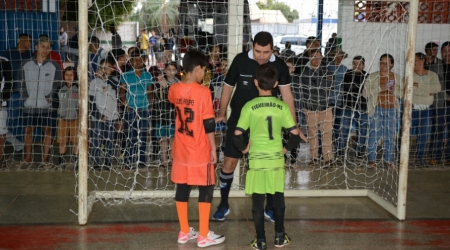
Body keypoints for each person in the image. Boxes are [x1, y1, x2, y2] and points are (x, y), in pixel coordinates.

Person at [213, 31, 307, 221]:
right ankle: (223, 204)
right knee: (229, 163)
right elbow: (228, 87)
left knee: (269, 166)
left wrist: (294, 125)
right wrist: (222, 113)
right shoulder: (240, 60)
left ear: (272, 49)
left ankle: (270, 208)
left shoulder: (279, 66)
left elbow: (287, 96)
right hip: (240, 120)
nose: (261, 56)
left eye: (266, 52)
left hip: (267, 124)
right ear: (252, 46)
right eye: (258, 51)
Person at [234, 64, 300, 249]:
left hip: (256, 161)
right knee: (278, 198)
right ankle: (280, 237)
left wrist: (244, 149)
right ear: (276, 83)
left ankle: (260, 240)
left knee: (257, 201)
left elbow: (236, 135)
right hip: (275, 160)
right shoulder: (281, 106)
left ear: (255, 83)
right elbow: (295, 135)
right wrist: (285, 150)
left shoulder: (250, 106)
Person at [168, 49, 225, 248]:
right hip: (199, 149)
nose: (205, 74)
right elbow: (208, 124)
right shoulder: (203, 91)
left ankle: (184, 231)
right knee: (206, 187)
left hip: (181, 148)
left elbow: (183, 108)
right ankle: (203, 234)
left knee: (182, 186)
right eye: (204, 70)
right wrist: (213, 148)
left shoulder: (174, 89)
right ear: (198, 69)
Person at [18, 35, 62, 168]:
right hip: (29, 106)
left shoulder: (54, 66)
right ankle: (28, 157)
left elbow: (58, 84)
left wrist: (50, 96)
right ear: (36, 47)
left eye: (48, 47)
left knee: (48, 131)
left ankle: (45, 160)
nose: (46, 49)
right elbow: (20, 82)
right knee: (28, 130)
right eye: (43, 46)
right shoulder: (25, 64)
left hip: (46, 107)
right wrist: (26, 97)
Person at [363, 54, 403, 169]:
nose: (383, 65)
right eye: (381, 62)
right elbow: (364, 93)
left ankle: (388, 161)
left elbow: (403, 94)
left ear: (391, 64)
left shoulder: (397, 77)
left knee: (390, 136)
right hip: (376, 109)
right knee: (374, 135)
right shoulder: (372, 76)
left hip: (392, 110)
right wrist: (381, 88)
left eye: (386, 63)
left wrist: (393, 91)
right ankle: (371, 161)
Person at [300, 49, 335, 166]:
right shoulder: (304, 71)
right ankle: (314, 157)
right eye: (314, 57)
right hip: (310, 108)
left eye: (319, 57)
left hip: (326, 107)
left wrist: (317, 83)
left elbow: (330, 85)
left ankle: (328, 159)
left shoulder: (328, 70)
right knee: (312, 134)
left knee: (327, 134)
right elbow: (309, 87)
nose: (317, 60)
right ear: (309, 58)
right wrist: (321, 82)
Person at [119, 50, 153, 168]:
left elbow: (150, 92)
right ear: (131, 61)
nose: (138, 62)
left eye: (140, 59)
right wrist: (126, 104)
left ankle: (141, 161)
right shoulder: (125, 75)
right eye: (135, 60)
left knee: (142, 136)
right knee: (130, 136)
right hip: (131, 110)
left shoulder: (147, 75)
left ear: (143, 60)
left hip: (143, 109)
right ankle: (128, 161)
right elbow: (121, 93)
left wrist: (150, 105)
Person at [89, 59, 120, 168]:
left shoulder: (115, 80)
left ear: (112, 69)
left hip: (111, 116)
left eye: (108, 67)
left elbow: (116, 87)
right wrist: (98, 115)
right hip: (97, 117)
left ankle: (108, 161)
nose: (106, 70)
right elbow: (90, 101)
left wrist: (106, 78)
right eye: (104, 67)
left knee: (110, 140)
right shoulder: (94, 82)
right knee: (96, 140)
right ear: (99, 69)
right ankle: (96, 162)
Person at [411, 53, 440, 166]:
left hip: (427, 110)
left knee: (423, 136)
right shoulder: (409, 75)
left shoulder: (432, 75)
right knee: (405, 134)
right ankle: (401, 158)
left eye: (415, 60)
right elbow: (408, 90)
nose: (413, 63)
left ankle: (420, 158)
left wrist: (417, 86)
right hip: (412, 109)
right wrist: (427, 91)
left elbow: (437, 88)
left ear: (422, 61)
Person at [341, 56, 369, 159]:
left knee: (362, 130)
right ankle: (341, 151)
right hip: (348, 106)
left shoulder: (367, 76)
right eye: (354, 64)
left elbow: (366, 91)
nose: (356, 66)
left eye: (359, 64)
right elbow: (346, 88)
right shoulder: (347, 74)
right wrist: (358, 88)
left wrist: (354, 87)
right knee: (344, 129)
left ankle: (359, 151)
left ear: (363, 65)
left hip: (362, 107)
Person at [153, 61, 178, 166]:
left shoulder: (179, 83)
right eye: (168, 69)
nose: (170, 72)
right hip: (162, 113)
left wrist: (166, 86)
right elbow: (156, 98)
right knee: (163, 138)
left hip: (173, 114)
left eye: (173, 69)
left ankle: (172, 159)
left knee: (172, 138)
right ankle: (164, 160)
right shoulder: (159, 82)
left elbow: (175, 98)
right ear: (165, 70)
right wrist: (160, 86)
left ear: (176, 71)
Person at [430, 41, 450, 165]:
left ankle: (449, 157)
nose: (447, 54)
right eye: (445, 51)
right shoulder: (435, 66)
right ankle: (435, 156)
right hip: (440, 104)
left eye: (449, 51)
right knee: (438, 131)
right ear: (441, 53)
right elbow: (435, 86)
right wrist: (447, 97)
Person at [327, 48, 348, 159]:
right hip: (329, 100)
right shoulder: (327, 68)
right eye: (336, 55)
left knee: (338, 125)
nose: (338, 57)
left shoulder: (345, 69)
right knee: (328, 125)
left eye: (340, 55)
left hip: (340, 101)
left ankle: (338, 148)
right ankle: (327, 148)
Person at [56, 66, 79, 166]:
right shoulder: (59, 88)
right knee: (62, 141)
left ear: (75, 76)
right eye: (67, 75)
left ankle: (77, 162)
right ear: (64, 76)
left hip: (76, 120)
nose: (69, 77)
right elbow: (55, 103)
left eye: (71, 75)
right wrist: (59, 112)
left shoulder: (79, 88)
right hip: (63, 119)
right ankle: (61, 162)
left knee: (76, 142)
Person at [0, 57, 13, 168]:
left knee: (1, 132)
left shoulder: (4, 62)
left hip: (1, 104)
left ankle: (1, 158)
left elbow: (9, 84)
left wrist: (2, 98)